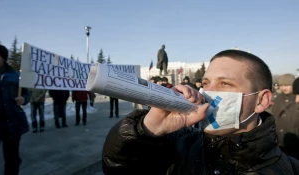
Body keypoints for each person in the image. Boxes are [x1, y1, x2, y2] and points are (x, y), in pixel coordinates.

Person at [102, 50, 299, 174]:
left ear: (261, 100)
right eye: (205, 84)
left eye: (225, 83)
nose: (208, 94)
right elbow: (118, 167)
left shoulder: (288, 169)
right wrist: (148, 128)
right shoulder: (178, 143)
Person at [0, 44, 31, 175]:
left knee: (12, 158)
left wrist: (23, 99)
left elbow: (27, 93)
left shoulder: (15, 75)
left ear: (3, 58)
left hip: (12, 123)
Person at [272, 74, 299, 159]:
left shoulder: (296, 98)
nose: (284, 88)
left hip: (295, 140)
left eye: (287, 85)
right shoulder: (277, 98)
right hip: (278, 139)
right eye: (282, 85)